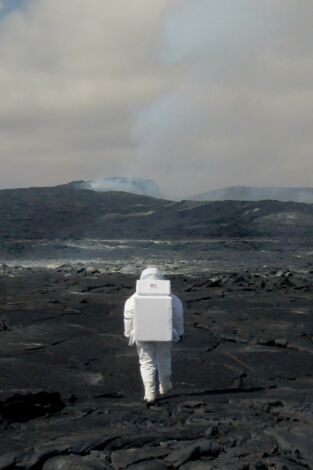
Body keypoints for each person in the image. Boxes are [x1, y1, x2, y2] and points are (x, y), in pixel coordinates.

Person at [123, 267, 184, 403]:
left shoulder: (133, 299)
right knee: (164, 359)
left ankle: (150, 394)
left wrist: (128, 333)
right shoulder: (172, 298)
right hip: (165, 333)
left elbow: (128, 317)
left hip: (142, 334)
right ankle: (165, 386)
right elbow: (178, 315)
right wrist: (179, 332)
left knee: (146, 363)